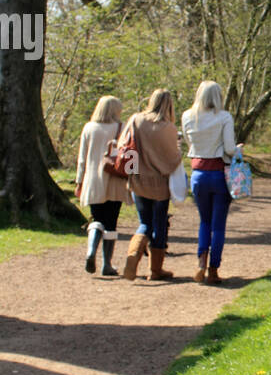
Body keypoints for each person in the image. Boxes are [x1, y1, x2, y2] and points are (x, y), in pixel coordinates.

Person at [122, 89, 183, 282]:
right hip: (160, 184)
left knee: (144, 223)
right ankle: (156, 270)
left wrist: (131, 173)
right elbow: (173, 159)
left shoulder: (136, 120)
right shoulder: (169, 128)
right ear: (169, 105)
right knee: (160, 224)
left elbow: (124, 146)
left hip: (139, 179)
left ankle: (133, 255)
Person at [181, 81, 240, 285]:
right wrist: (238, 149)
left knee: (204, 221)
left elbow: (190, 145)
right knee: (219, 225)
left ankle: (201, 262)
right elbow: (230, 149)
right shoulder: (224, 117)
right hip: (219, 174)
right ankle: (214, 268)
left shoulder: (188, 116)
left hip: (198, 173)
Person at [75, 95, 132, 277]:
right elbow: (130, 154)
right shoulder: (121, 128)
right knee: (111, 222)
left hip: (93, 180)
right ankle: (107, 264)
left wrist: (79, 182)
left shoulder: (89, 128)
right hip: (116, 180)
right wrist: (134, 177)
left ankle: (91, 251)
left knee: (96, 218)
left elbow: (82, 159)